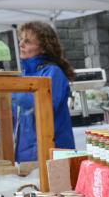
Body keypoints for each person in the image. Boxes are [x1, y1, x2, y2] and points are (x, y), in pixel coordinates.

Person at [12, 22, 75, 162]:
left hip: (52, 151)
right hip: (26, 154)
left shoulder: (53, 72)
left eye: (27, 41)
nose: (21, 44)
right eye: (20, 39)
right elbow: (15, 114)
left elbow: (42, 105)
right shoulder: (24, 75)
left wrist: (10, 92)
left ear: (44, 48)